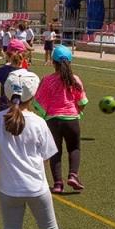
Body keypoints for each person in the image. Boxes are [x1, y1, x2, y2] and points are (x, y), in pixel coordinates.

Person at [0, 69, 64, 229]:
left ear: (7, 93)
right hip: (37, 188)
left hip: (9, 190)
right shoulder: (39, 122)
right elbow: (47, 155)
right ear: (33, 95)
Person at [34, 45, 88, 193]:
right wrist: (77, 112)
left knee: (55, 152)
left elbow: (38, 103)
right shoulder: (74, 80)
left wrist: (46, 115)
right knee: (74, 147)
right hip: (71, 119)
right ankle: (73, 175)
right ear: (69, 62)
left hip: (53, 120)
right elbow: (82, 102)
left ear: (53, 62)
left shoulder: (47, 80)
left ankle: (58, 184)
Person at [0, 39, 26, 111]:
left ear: (7, 55)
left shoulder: (2, 70)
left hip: (5, 108)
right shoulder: (27, 73)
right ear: (23, 55)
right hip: (20, 109)